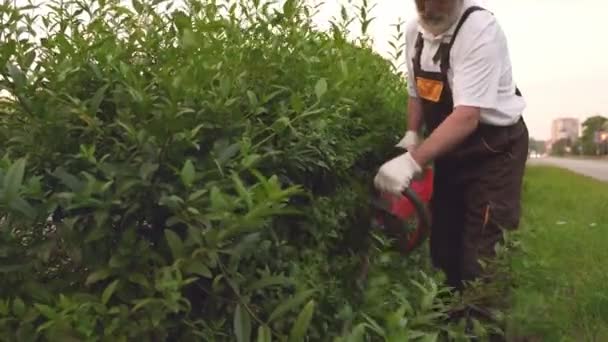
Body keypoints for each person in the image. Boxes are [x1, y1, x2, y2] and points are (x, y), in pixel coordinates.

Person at [374, 0, 529, 293]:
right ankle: (449, 325)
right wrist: (411, 134)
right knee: (444, 248)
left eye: (439, 1)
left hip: (495, 151)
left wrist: (413, 162)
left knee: (482, 253)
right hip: (452, 150)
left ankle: (483, 331)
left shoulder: (479, 30)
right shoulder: (414, 33)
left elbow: (467, 117)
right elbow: (416, 93)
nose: (429, 9)